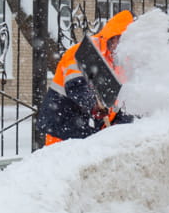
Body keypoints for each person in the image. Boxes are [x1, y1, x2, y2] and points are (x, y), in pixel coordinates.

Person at [37, 9, 135, 145]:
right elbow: (75, 85)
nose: (122, 46)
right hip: (63, 127)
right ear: (113, 36)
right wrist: (94, 105)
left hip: (92, 134)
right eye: (121, 40)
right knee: (59, 164)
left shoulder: (122, 65)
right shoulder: (84, 51)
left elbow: (124, 105)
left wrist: (119, 127)